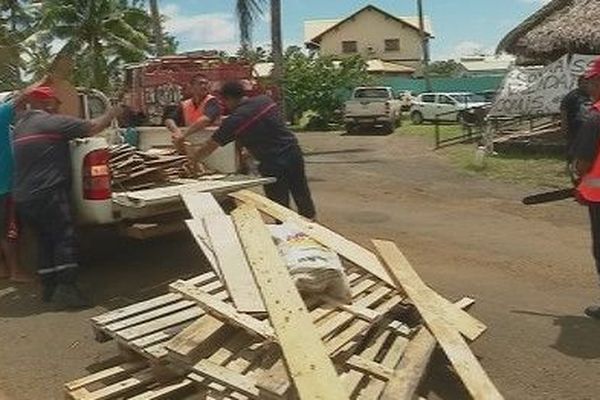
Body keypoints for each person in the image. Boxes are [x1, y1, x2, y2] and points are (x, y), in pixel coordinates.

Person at [12, 86, 123, 309]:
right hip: (48, 193)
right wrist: (113, 112)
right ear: (48, 103)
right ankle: (67, 289)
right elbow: (93, 127)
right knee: (64, 237)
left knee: (45, 239)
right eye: (57, 103)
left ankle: (49, 287)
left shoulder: (21, 126)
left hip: (24, 196)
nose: (59, 108)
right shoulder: (51, 122)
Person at [186, 81, 316, 219]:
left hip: (271, 161)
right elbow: (265, 126)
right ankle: (312, 224)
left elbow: (210, 145)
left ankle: (285, 230)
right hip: (292, 152)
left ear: (228, 99)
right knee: (301, 191)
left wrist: (193, 160)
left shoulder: (235, 120)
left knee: (279, 203)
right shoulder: (265, 101)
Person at [0, 81, 46, 283]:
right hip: (5, 185)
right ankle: (16, 271)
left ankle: (2, 269)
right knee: (11, 232)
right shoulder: (1, 115)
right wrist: (46, 79)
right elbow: (23, 96)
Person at [571, 58, 600, 319]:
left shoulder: (596, 118)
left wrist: (578, 180)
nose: (588, 85)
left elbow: (583, 163)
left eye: (590, 81)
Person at [164, 74, 222, 152]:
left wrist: (183, 135)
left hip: (210, 144)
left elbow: (205, 120)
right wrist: (176, 132)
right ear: (192, 86)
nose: (204, 86)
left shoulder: (213, 102)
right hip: (190, 142)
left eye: (206, 83)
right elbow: (169, 120)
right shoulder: (185, 104)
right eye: (200, 83)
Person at [561, 75, 592, 164]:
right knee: (573, 146)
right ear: (579, 84)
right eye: (584, 83)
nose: (586, 85)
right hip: (575, 127)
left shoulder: (594, 94)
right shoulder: (572, 96)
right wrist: (564, 126)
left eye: (588, 83)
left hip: (591, 127)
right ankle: (571, 164)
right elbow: (564, 110)